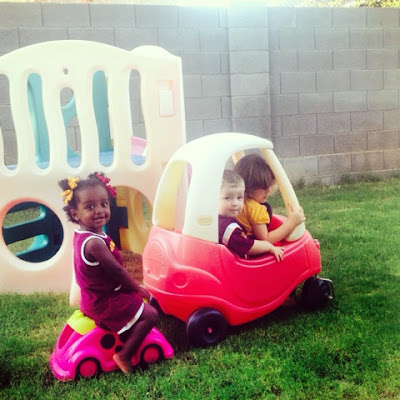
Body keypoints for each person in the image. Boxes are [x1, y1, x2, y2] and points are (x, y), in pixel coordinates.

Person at [59, 172, 158, 374]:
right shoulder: (94, 243)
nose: (99, 211)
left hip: (96, 297)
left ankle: (127, 332)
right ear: (76, 214)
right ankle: (124, 355)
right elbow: (118, 272)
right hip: (104, 302)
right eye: (90, 207)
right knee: (151, 315)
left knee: (139, 302)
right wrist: (139, 289)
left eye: (104, 204)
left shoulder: (87, 234)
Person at [234, 153, 305, 244]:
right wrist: (291, 222)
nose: (268, 190)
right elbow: (265, 239)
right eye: (264, 187)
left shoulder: (236, 203)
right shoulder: (255, 209)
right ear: (250, 188)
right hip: (249, 248)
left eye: (269, 185)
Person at [218, 169, 284, 261]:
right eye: (227, 198)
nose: (235, 203)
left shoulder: (217, 219)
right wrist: (268, 246)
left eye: (239, 197)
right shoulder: (227, 228)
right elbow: (248, 247)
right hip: (238, 266)